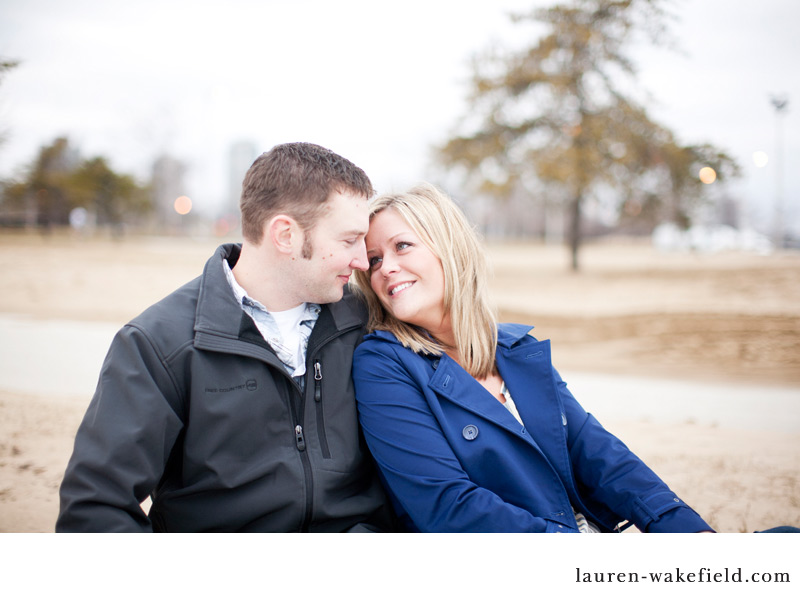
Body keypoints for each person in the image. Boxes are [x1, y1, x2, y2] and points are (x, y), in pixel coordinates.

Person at [57, 142, 395, 532]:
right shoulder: (160, 344)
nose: (361, 260)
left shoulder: (366, 322)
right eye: (348, 240)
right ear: (285, 235)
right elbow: (95, 508)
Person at [351, 183, 714, 533]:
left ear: (450, 248)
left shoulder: (514, 347)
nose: (385, 268)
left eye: (402, 246)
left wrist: (677, 523)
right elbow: (446, 506)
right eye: (374, 259)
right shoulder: (384, 363)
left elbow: (593, 449)